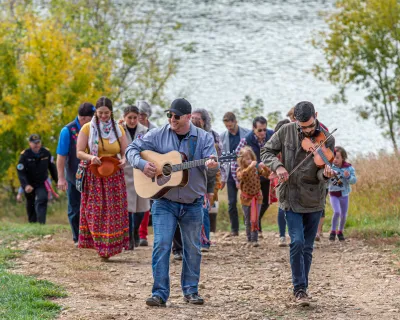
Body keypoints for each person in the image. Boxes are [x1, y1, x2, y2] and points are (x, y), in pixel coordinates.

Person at [126, 98, 218, 307]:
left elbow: (211, 163)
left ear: (187, 117)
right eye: (169, 115)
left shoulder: (203, 137)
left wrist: (212, 164)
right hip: (164, 201)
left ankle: (191, 291)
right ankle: (159, 293)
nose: (172, 119)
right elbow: (131, 149)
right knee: (162, 245)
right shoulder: (158, 134)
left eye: (176, 116)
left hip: (192, 202)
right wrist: (141, 164)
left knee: (193, 248)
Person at [261, 101, 335, 306]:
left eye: (310, 126)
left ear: (316, 116)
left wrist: (326, 174)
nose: (308, 131)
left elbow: (322, 170)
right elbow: (266, 152)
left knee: (308, 247)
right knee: (297, 242)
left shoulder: (327, 138)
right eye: (303, 128)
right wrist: (278, 167)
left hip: (314, 197)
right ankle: (299, 289)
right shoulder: (285, 131)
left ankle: (303, 286)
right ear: (295, 120)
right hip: (291, 195)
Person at [76, 96, 129, 260]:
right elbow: (79, 152)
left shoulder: (118, 128)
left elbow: (126, 150)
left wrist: (125, 160)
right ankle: (99, 245)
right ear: (96, 112)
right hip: (94, 173)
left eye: (106, 113)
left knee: (114, 211)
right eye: (100, 113)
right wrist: (91, 157)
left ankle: (109, 247)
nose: (103, 116)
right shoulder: (87, 128)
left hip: (113, 174)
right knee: (95, 210)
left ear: (111, 112)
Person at [56, 102, 95, 246]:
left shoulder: (94, 128)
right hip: (74, 175)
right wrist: (61, 178)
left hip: (93, 175)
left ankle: (91, 236)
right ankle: (77, 237)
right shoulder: (67, 131)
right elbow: (61, 156)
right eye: (92, 117)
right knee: (75, 207)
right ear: (84, 118)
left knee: (92, 206)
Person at [231, 116, 274, 236]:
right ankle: (253, 227)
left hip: (264, 173)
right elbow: (236, 160)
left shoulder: (271, 135)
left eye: (265, 129)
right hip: (249, 177)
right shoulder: (246, 140)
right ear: (253, 129)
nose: (263, 133)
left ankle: (256, 221)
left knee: (266, 201)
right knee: (250, 205)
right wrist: (237, 180)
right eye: (260, 130)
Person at [121, 105, 150, 250]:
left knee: (141, 207)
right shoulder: (119, 130)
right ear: (124, 117)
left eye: (134, 118)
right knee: (128, 207)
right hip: (125, 171)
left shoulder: (144, 131)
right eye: (129, 118)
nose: (132, 121)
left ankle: (136, 230)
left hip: (140, 170)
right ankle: (129, 236)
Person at [219, 112, 250, 236]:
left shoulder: (247, 133)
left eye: (230, 126)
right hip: (230, 173)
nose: (229, 128)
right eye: (227, 126)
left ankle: (250, 228)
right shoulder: (222, 137)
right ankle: (234, 229)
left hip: (245, 171)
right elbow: (221, 157)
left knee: (247, 201)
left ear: (235, 121)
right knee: (231, 202)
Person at [17, 134, 58, 224]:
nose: (36, 144)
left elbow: (52, 168)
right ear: (29, 143)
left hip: (42, 182)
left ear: (40, 143)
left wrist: (57, 181)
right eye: (34, 143)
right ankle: (32, 223)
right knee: (30, 202)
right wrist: (26, 185)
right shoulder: (25, 155)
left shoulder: (46, 153)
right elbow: (21, 172)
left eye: (38, 142)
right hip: (29, 182)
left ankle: (41, 223)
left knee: (42, 199)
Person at [236, 146, 270, 247]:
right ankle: (249, 239)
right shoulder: (240, 170)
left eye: (251, 158)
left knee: (255, 218)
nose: (249, 160)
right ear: (242, 160)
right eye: (247, 159)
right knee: (248, 219)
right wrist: (250, 166)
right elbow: (242, 176)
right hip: (246, 199)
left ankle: (255, 240)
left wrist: (264, 167)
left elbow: (266, 175)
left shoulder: (256, 169)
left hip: (257, 197)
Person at [268, 119, 290, 247]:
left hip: (294, 177)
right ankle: (282, 235)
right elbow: (269, 159)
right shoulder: (275, 145)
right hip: (280, 176)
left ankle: (294, 235)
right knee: (282, 205)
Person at [137, 100, 156, 246]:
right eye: (138, 114)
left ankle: (143, 234)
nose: (140, 117)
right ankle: (133, 233)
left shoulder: (154, 129)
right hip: (135, 166)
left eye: (143, 114)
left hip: (149, 167)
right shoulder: (129, 127)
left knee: (146, 202)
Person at [328, 146, 357, 242]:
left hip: (344, 194)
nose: (335, 160)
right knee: (337, 212)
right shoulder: (329, 167)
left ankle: (340, 231)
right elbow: (324, 179)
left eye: (337, 157)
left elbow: (354, 181)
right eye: (333, 157)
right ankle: (332, 231)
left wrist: (348, 177)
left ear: (343, 158)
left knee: (344, 215)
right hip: (333, 194)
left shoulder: (349, 168)